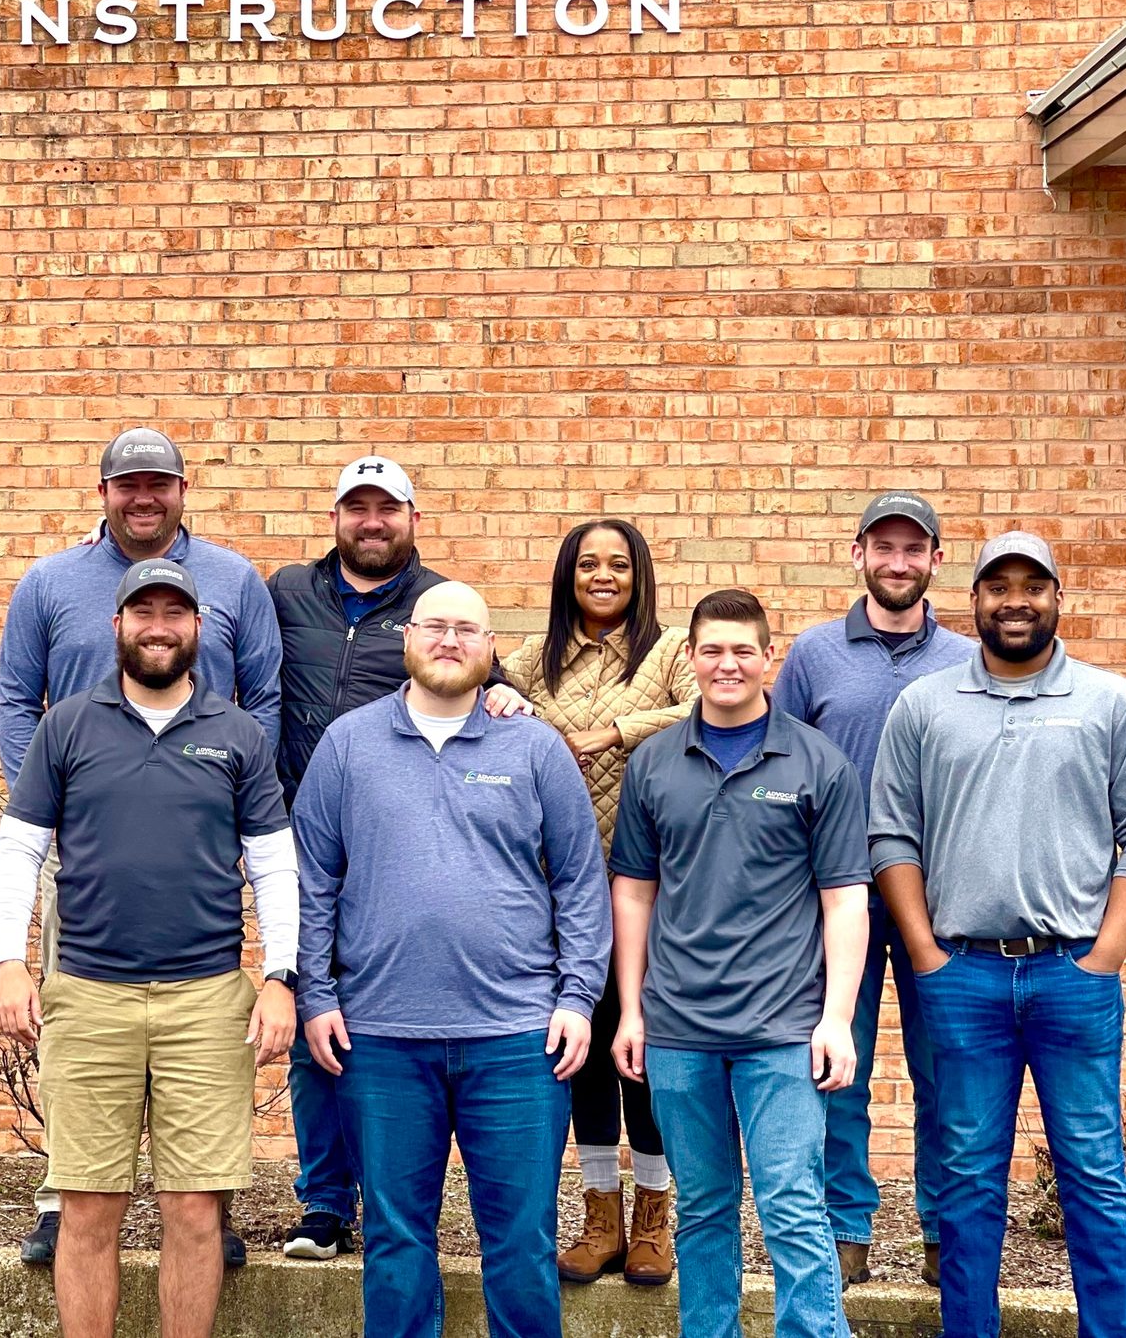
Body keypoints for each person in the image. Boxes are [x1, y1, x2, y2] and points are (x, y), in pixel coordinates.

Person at [867, 531, 1126, 1338]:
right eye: (997, 586)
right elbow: (891, 834)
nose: (1014, 600)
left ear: (1057, 598)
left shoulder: (1111, 702)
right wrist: (926, 953)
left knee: (1093, 1174)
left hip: (1072, 974)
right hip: (962, 976)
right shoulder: (926, 705)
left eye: (1031, 586)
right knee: (968, 1178)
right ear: (971, 600)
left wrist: (1105, 951)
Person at [0, 427, 283, 1267]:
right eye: (128, 483)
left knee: (204, 1010)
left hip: (204, 815)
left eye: (159, 483)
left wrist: (230, 793)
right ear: (103, 491)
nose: (143, 497)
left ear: (184, 490)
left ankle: (205, 1205)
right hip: (76, 822)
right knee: (78, 1007)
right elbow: (19, 695)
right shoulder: (50, 581)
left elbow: (262, 693)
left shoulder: (232, 579)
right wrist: (58, 797)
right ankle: (65, 1195)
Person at [292, 580, 611, 1338]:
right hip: (381, 1038)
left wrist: (577, 996)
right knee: (397, 1243)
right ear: (406, 638)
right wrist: (316, 992)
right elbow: (312, 879)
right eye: (434, 625)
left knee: (521, 1243)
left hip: (517, 1041)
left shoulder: (533, 747)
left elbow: (580, 879)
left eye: (467, 628)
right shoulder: (349, 744)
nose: (449, 639)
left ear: (491, 647)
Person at [266, 455, 531, 1260]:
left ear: (413, 519)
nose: (372, 521)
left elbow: (483, 672)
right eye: (358, 507)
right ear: (336, 517)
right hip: (301, 833)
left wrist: (509, 692)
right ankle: (324, 1201)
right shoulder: (284, 593)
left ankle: (366, 1192)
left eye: (388, 508)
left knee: (364, 1019)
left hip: (399, 836)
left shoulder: (436, 605)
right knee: (317, 1001)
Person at [611, 588, 871, 1338]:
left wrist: (838, 1019)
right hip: (680, 1030)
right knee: (703, 1210)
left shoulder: (818, 762)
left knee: (792, 1206)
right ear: (689, 658)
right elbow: (634, 894)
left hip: (782, 1029)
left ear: (768, 656)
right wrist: (632, 1008)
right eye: (712, 649)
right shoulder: (654, 763)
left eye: (742, 650)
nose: (728, 663)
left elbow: (845, 900)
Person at [773, 491, 976, 1288]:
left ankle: (943, 1234)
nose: (898, 562)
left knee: (947, 1072)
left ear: (933, 559)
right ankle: (841, 1231)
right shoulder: (814, 654)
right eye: (883, 547)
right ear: (857, 553)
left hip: (942, 897)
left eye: (913, 549)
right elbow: (778, 758)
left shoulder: (966, 659)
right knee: (835, 1066)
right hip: (836, 895)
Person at [504, 519, 697, 1287]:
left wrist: (616, 729)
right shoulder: (534, 658)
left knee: (640, 1051)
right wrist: (499, 700)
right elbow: (484, 686)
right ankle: (601, 1212)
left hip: (651, 884)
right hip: (558, 889)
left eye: (619, 563)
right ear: (569, 575)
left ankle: (655, 1216)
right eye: (589, 564)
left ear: (638, 573)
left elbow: (714, 704)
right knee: (580, 1048)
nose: (604, 575)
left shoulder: (672, 649)